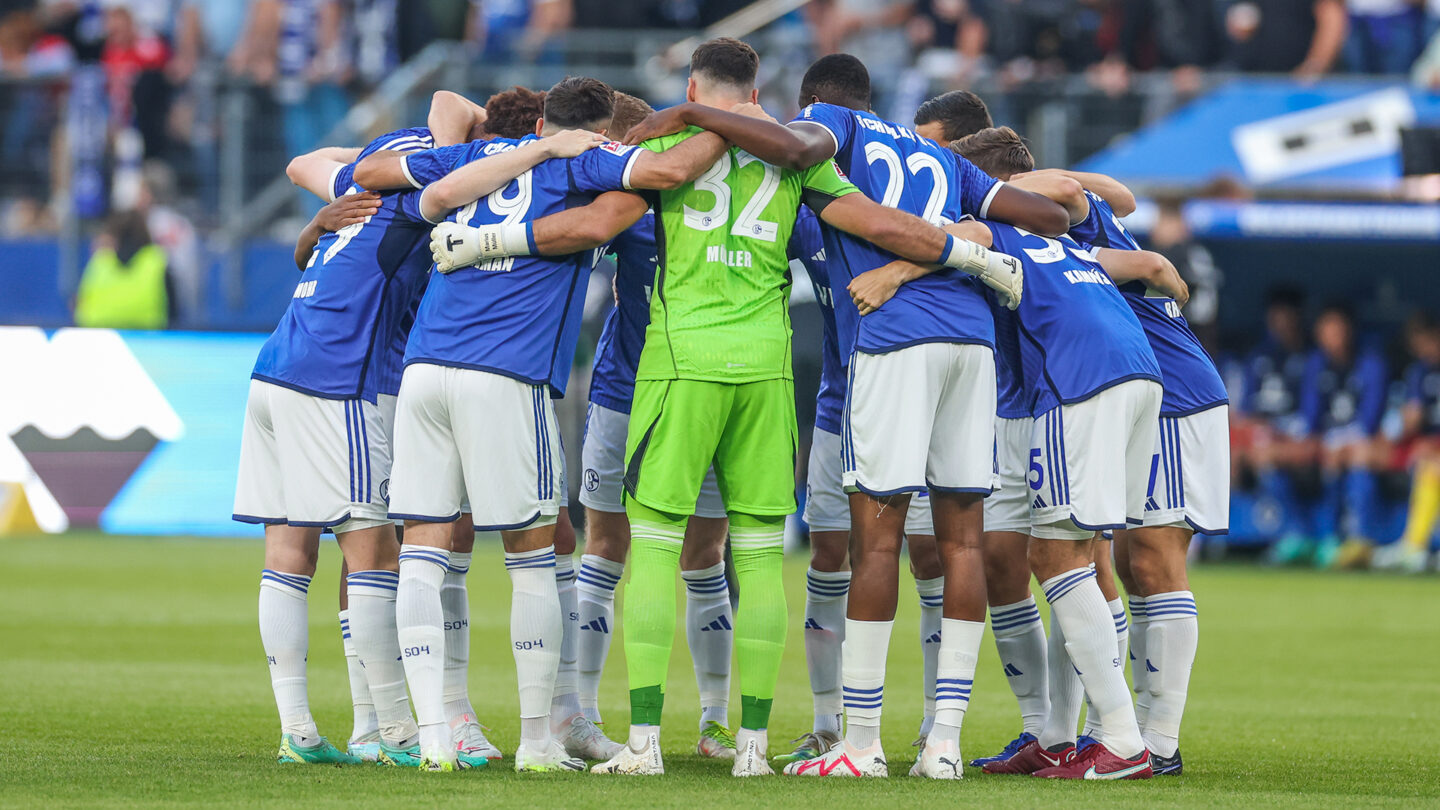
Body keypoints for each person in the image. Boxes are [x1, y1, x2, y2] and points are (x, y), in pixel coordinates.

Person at [430, 40, 1037, 778]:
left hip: (677, 366)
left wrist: (487, 235)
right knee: (753, 555)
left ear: (692, 86)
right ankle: (750, 744)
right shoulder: (800, 160)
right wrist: (971, 253)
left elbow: (595, 220)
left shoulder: (664, 148)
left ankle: (641, 742)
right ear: (759, 96)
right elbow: (868, 226)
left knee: (645, 545)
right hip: (768, 371)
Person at [381, 75, 733, 773]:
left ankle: (432, 736)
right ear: (601, 131)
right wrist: (723, 120)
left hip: (424, 368)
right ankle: (541, 740)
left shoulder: (475, 161)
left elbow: (392, 177)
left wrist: (518, 153)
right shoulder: (587, 163)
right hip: (505, 372)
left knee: (421, 547)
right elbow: (646, 184)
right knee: (535, 554)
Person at [878, 126, 1184, 779]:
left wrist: (892, 269)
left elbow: (946, 243)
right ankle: (1074, 735)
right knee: (1081, 553)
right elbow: (1137, 248)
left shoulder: (996, 226)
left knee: (1057, 554)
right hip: (1135, 375)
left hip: (1079, 384)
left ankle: (1122, 742)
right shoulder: (1063, 241)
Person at [232, 121, 457, 767]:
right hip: (339, 381)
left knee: (288, 552)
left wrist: (317, 222)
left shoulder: (355, 191)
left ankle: (298, 732)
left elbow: (302, 161)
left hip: (274, 370)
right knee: (375, 551)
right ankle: (395, 730)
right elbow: (452, 114)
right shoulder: (420, 200)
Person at [571, 91, 740, 760]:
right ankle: (587, 713)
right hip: (627, 389)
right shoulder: (625, 210)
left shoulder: (653, 203)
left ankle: (711, 721)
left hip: (681, 391)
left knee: (658, 551)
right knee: (649, 551)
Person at [1058, 150, 1230, 778]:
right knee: (1129, 561)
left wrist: (1022, 179)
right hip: (1148, 395)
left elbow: (1127, 223)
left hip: (1178, 397)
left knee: (1156, 558)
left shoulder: (1077, 225)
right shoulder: (1089, 218)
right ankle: (1123, 727)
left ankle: (1159, 738)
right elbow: (1122, 194)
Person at [778, 203, 947, 769]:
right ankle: (827, 724)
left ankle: (933, 724)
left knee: (928, 557)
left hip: (912, 411)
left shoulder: (914, 213)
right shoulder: (812, 217)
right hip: (837, 409)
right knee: (829, 556)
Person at [1295, 304, 1389, 568]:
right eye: (1327, 331)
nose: (1333, 337)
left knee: (1357, 454)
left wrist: (1345, 441)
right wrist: (1321, 441)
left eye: (1338, 331)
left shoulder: (1370, 363)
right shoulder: (1316, 364)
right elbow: (1310, 417)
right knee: (1282, 454)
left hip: (1364, 441)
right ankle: (1314, 537)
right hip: (1327, 442)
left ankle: (1362, 538)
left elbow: (1371, 418)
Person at [1238, 288, 1313, 559]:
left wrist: (1281, 433)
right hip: (1260, 435)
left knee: (1268, 453)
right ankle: (1208, 537)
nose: (1278, 321)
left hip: (1297, 437)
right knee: (1230, 450)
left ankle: (1296, 533)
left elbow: (1311, 415)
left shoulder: (1310, 357)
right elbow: (1244, 409)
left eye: (1285, 314)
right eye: (1275, 314)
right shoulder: (1259, 356)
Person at [1379, 312, 1440, 572]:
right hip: (1428, 447)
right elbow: (1411, 418)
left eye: (1426, 342)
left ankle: (1414, 545)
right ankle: (1411, 546)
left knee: (1434, 464)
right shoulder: (1420, 372)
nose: (1422, 350)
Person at [74, 209, 172, 330]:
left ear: (112, 236)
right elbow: (173, 310)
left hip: (99, 335)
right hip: (148, 337)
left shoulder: (99, 261)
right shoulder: (156, 260)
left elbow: (80, 304)